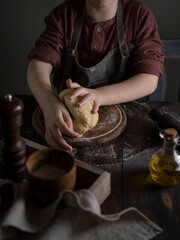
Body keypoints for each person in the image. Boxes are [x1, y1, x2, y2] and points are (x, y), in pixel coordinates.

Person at [27, 0, 164, 151]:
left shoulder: (139, 15)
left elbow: (149, 80)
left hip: (126, 131)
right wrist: (48, 103)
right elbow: (38, 65)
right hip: (67, 124)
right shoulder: (64, 15)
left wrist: (99, 95)